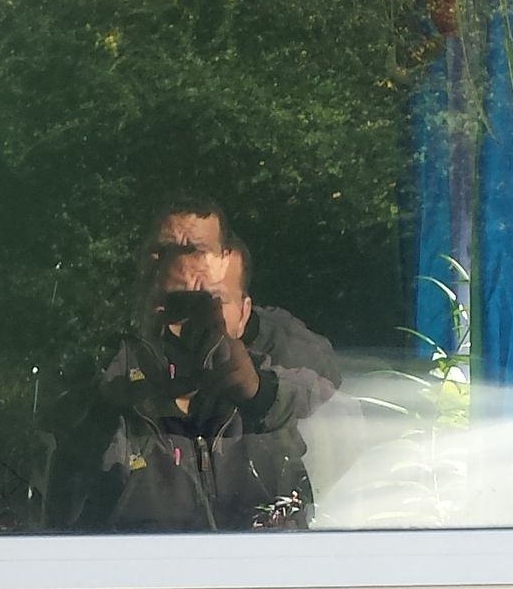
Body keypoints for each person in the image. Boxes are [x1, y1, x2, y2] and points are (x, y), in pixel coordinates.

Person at [49, 201, 341, 532]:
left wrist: (258, 392)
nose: (193, 322)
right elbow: (60, 520)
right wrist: (110, 410)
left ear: (246, 314)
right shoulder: (109, 397)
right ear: (147, 308)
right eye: (177, 304)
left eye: (211, 303)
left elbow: (340, 410)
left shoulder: (279, 384)